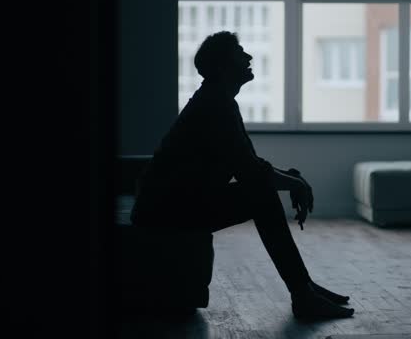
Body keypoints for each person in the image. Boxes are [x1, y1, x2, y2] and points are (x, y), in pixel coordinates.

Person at [131, 31, 354, 320]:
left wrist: (291, 177)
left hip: (174, 204)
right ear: (225, 67)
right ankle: (302, 293)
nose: (248, 58)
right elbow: (251, 172)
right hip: (165, 212)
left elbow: (250, 163)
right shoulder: (215, 105)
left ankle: (304, 288)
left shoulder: (218, 100)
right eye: (240, 54)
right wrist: (295, 183)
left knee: (261, 190)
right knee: (261, 194)